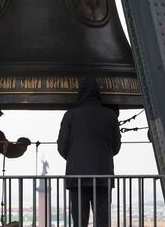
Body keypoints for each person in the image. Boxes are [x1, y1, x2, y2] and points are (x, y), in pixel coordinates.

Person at [57, 76, 122, 227]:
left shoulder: (70, 116)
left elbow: (62, 146)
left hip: (77, 177)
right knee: (102, 220)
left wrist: (75, 158)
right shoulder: (110, 116)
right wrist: (102, 156)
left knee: (79, 221)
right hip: (102, 175)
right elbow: (116, 147)